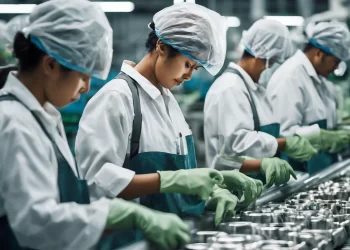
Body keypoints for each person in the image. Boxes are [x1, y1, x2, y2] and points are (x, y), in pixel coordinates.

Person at [0, 1, 191, 249]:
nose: (86, 88)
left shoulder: (39, 115)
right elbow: (37, 221)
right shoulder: (14, 122)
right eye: (83, 75)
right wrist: (123, 215)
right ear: (50, 65)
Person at [76, 2, 260, 229]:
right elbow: (97, 182)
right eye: (187, 64)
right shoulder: (116, 98)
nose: (189, 76)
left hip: (175, 232)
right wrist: (170, 181)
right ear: (161, 47)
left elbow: (181, 181)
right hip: (133, 238)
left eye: (195, 68)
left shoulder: (168, 100)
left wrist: (209, 194)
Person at [204, 19, 317, 188]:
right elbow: (236, 146)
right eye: (271, 62)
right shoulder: (229, 88)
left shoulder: (256, 91)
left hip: (258, 187)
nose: (271, 68)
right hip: (233, 190)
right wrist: (284, 144)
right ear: (259, 54)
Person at [267, 21, 350, 174]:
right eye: (336, 62)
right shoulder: (290, 77)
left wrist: (339, 131)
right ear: (320, 54)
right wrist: (322, 137)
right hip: (298, 173)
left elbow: (327, 121)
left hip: (320, 169)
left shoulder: (321, 81)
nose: (336, 68)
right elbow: (283, 135)